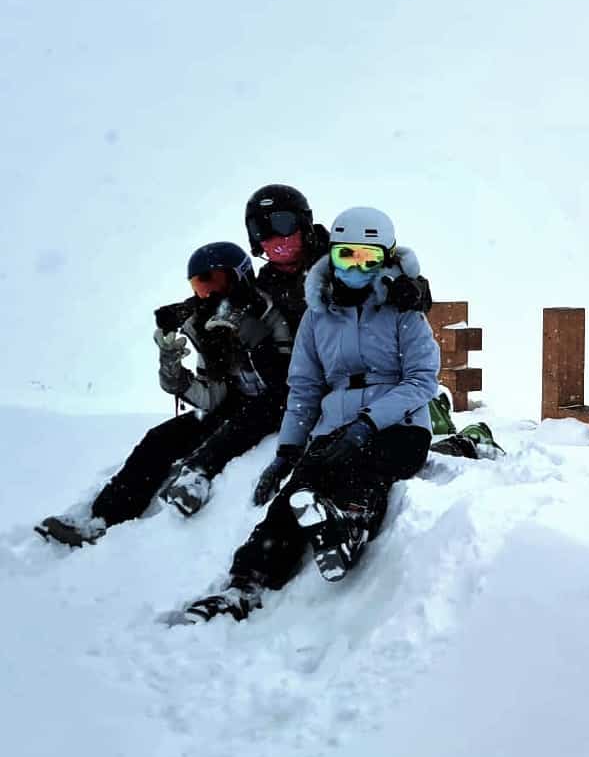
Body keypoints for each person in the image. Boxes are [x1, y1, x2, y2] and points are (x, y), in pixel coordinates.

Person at [180, 207, 441, 623]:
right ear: (332, 255)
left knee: (365, 466)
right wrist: (287, 449)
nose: (356, 268)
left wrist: (369, 422)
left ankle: (349, 528)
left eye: (368, 259)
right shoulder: (318, 317)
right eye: (346, 256)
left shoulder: (403, 313)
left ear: (387, 260)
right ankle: (244, 584)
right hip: (335, 426)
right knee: (294, 492)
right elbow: (303, 388)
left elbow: (422, 379)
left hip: (399, 426)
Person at [36, 243, 293, 545]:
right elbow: (211, 397)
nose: (209, 295)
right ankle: (103, 518)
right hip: (235, 404)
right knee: (160, 438)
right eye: (201, 286)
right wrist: (172, 372)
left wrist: (254, 339)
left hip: (276, 404)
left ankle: (196, 475)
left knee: (236, 426)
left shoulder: (271, 312)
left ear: (241, 277)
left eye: (216, 281)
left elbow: (286, 380)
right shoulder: (208, 329)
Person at [244, 184, 432, 333]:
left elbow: (385, 267)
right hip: (309, 368)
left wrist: (414, 289)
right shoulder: (265, 285)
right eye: (260, 229)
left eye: (282, 225)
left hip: (369, 362)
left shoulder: (340, 254)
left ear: (303, 224)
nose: (274, 238)